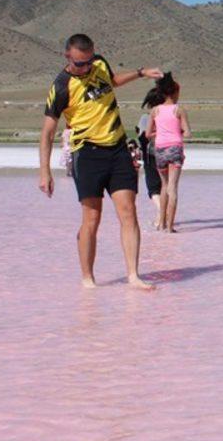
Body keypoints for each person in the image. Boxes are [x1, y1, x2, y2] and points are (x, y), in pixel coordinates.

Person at [38, 33, 163, 289]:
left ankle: (133, 275)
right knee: (92, 218)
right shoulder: (61, 86)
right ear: (67, 56)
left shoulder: (99, 64)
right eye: (79, 63)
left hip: (117, 149)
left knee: (128, 211)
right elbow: (48, 132)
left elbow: (114, 80)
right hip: (87, 154)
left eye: (89, 61)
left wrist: (140, 73)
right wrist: (45, 172)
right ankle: (88, 279)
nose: (85, 68)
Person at [145, 73, 191, 233]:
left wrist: (159, 133)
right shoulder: (179, 110)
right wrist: (176, 130)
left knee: (164, 186)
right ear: (175, 93)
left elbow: (147, 134)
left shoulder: (155, 111)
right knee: (173, 187)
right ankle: (170, 226)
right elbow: (187, 133)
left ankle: (162, 223)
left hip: (160, 149)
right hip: (175, 149)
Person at [137, 88, 165, 229]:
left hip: (151, 155)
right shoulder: (168, 116)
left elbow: (142, 136)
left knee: (153, 188)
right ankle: (161, 217)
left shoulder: (145, 118)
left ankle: (161, 212)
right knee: (165, 186)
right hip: (168, 153)